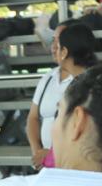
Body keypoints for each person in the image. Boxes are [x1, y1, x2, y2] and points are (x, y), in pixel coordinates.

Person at [28, 21, 98, 168]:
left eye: (58, 44)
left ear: (65, 52)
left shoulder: (89, 85)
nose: (53, 48)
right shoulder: (51, 77)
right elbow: (32, 118)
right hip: (55, 161)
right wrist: (40, 154)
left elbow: (87, 134)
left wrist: (51, 156)